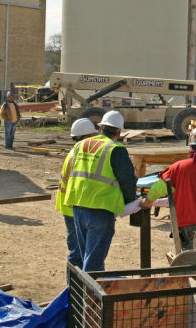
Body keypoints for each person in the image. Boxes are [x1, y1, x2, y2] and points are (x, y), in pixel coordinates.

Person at [62, 110, 138, 271]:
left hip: (77, 207)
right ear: (119, 133)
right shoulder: (115, 149)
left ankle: (80, 293)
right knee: (93, 264)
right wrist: (132, 202)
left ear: (100, 128)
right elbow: (128, 180)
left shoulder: (80, 145)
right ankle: (89, 296)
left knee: (86, 258)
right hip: (100, 210)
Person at [56, 118, 98, 269]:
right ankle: (73, 290)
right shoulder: (79, 156)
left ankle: (76, 289)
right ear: (86, 137)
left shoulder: (75, 152)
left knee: (79, 253)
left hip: (70, 206)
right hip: (74, 208)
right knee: (77, 255)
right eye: (93, 135)